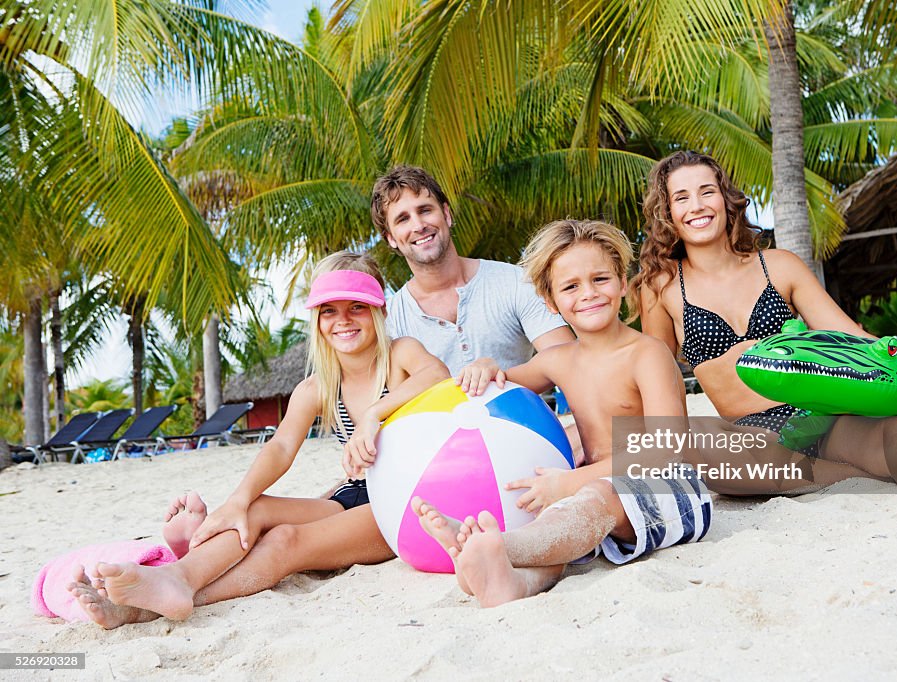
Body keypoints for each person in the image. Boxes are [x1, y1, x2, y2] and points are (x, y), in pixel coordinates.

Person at [67, 252, 449, 628]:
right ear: (317, 320)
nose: (343, 321)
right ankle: (178, 576)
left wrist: (372, 415)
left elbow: (438, 374)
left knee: (285, 541)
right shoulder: (317, 387)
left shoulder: (402, 354)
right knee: (255, 509)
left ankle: (143, 609)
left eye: (357, 307)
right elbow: (281, 448)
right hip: (354, 494)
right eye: (329, 311)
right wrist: (238, 499)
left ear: (379, 309)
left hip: (402, 503)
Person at [629, 150, 897, 506]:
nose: (696, 206)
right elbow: (658, 377)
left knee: (891, 435)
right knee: (697, 444)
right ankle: (855, 474)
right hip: (753, 429)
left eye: (706, 192)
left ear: (726, 199)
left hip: (823, 407)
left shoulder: (778, 266)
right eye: (681, 197)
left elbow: (856, 340)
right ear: (667, 212)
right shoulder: (660, 286)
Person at [413, 219, 713, 607]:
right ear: (551, 301)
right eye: (571, 286)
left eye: (600, 279)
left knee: (588, 501)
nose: (588, 293)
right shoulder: (556, 360)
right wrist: (486, 367)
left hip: (669, 487)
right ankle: (511, 582)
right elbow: (498, 386)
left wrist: (571, 482)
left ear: (623, 283)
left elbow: (665, 450)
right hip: (594, 494)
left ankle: (499, 546)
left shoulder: (646, 354)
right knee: (561, 524)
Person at [371, 164, 575, 375]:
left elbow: (567, 361)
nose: (418, 225)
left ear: (447, 214)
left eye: (425, 210)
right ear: (391, 238)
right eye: (403, 219)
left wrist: (500, 377)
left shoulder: (514, 281)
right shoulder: (390, 320)